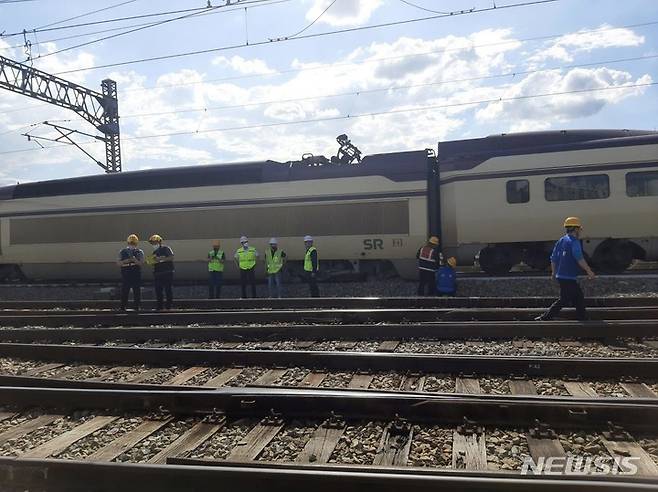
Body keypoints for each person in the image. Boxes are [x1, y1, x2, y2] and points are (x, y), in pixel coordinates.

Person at [535, 217, 596, 321]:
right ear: (575, 229)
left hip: (562, 276)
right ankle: (545, 317)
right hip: (568, 277)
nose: (580, 231)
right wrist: (589, 271)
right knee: (564, 299)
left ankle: (583, 319)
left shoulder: (561, 240)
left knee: (578, 297)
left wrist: (554, 273)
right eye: (579, 229)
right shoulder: (574, 242)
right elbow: (579, 258)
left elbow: (553, 258)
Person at [117, 234, 144, 311]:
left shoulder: (139, 252)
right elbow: (118, 263)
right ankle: (123, 306)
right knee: (125, 290)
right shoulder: (122, 251)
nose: (132, 245)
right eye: (131, 243)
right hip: (126, 271)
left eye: (133, 243)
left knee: (136, 290)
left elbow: (141, 263)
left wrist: (134, 260)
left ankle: (137, 306)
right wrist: (126, 261)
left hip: (135, 271)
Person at [148, 234, 175, 310]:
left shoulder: (166, 248)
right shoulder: (154, 252)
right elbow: (149, 262)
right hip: (158, 273)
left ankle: (168, 306)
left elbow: (171, 257)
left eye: (154, 243)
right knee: (158, 290)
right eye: (152, 243)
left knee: (168, 289)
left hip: (167, 272)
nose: (153, 245)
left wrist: (161, 259)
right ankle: (159, 306)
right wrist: (153, 261)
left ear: (159, 242)